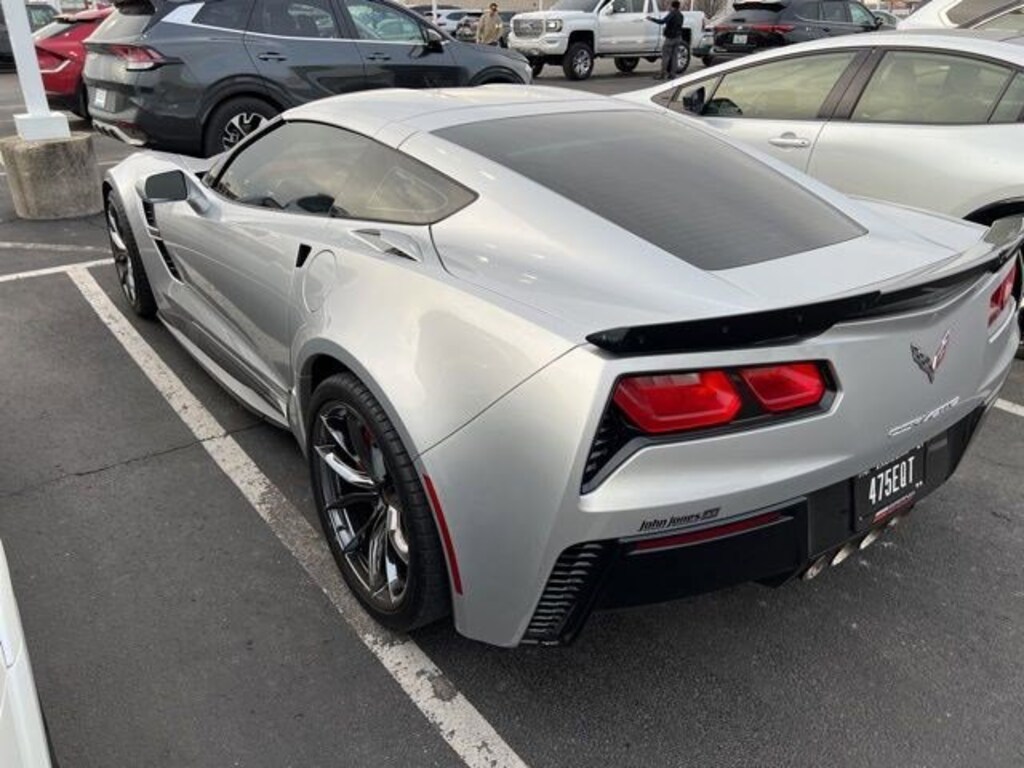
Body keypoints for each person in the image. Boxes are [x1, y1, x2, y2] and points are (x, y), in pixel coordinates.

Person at [647, 0, 684, 80]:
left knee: (665, 57)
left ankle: (662, 74)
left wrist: (651, 19)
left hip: (670, 38)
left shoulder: (671, 14)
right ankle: (673, 74)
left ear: (672, 6)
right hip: (678, 38)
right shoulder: (681, 15)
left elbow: (662, 22)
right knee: (674, 57)